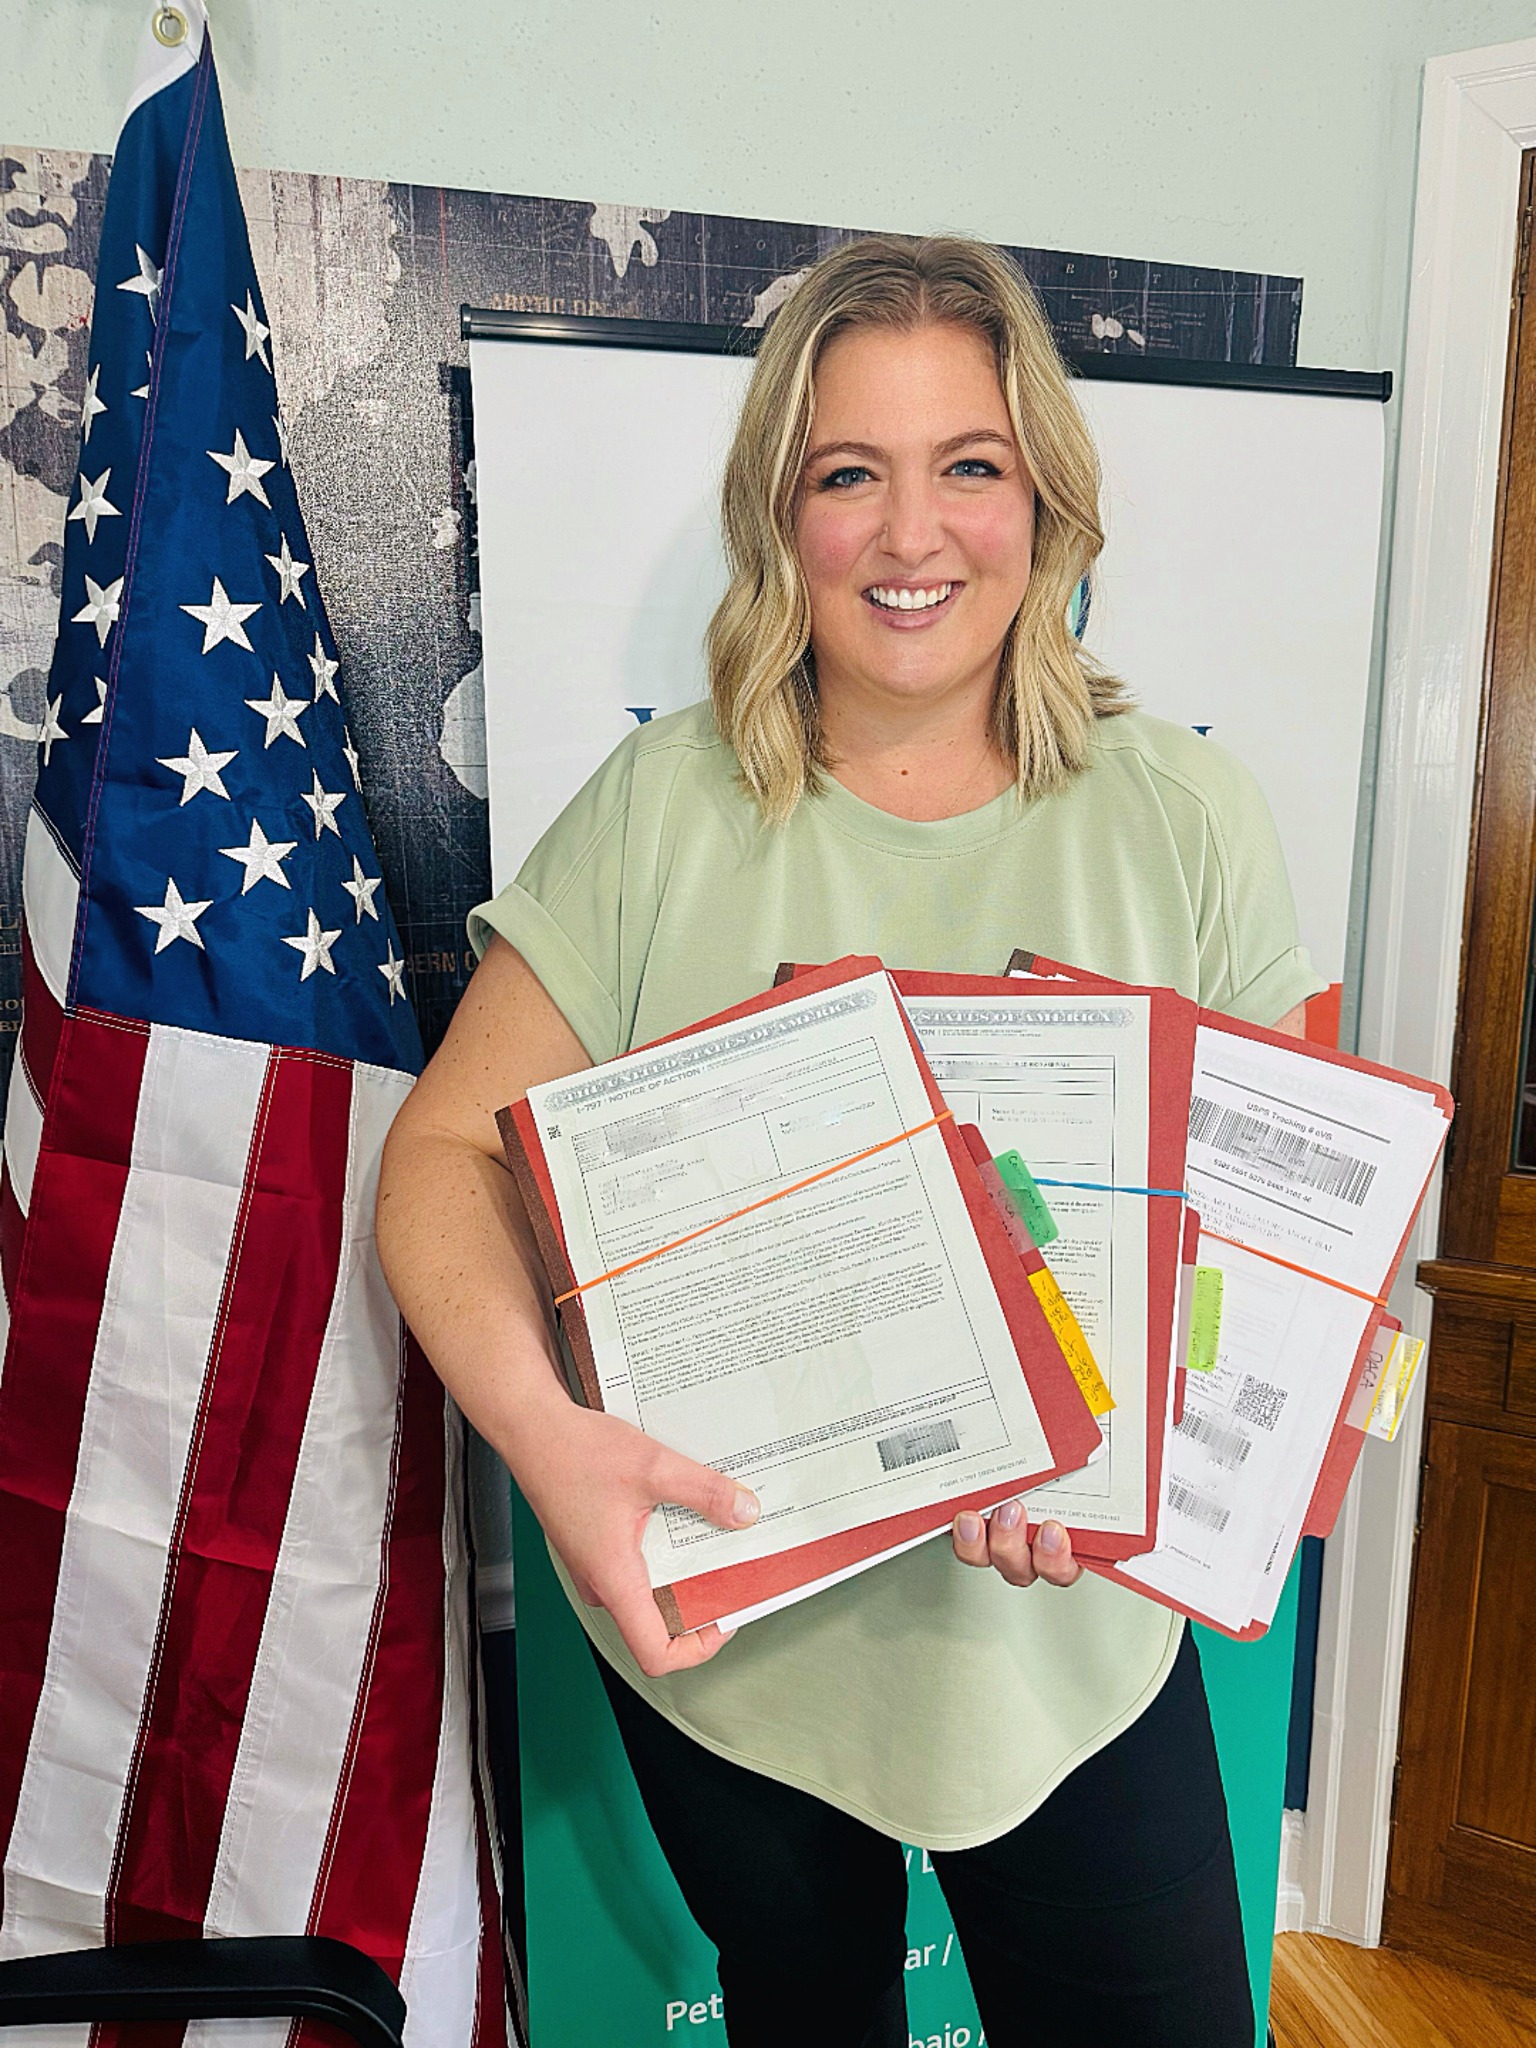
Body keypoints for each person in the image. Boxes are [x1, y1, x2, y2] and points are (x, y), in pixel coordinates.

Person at [376, 234, 1320, 2048]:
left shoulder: (1188, 816)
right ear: (778, 513)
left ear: (1044, 501)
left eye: (969, 465)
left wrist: (1157, 1454)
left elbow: (1259, 1240)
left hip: (1072, 1658)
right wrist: (551, 1446)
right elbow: (438, 1162)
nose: (911, 535)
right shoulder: (662, 807)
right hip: (746, 1659)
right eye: (846, 475)